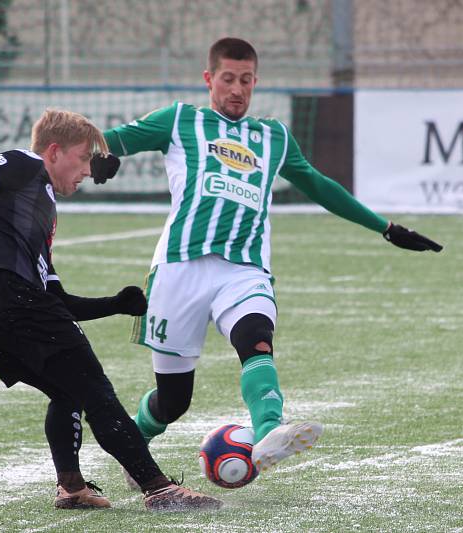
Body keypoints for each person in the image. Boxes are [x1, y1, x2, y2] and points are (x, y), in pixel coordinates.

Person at [100, 37, 443, 480]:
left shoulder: (273, 136)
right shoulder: (181, 120)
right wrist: (97, 155)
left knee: (256, 339)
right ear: (209, 79)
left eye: (246, 80)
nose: (237, 89)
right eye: (228, 79)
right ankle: (139, 440)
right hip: (180, 268)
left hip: (244, 268)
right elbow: (110, 140)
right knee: (174, 400)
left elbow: (320, 186)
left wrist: (386, 227)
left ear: (255, 82)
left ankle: (268, 432)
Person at [0, 108, 221, 512]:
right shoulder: (26, 164)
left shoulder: (35, 209)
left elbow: (58, 301)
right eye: (83, 157)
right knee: (96, 390)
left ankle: (71, 488)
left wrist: (115, 305)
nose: (87, 170)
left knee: (67, 390)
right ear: (54, 152)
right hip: (9, 297)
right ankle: (158, 488)